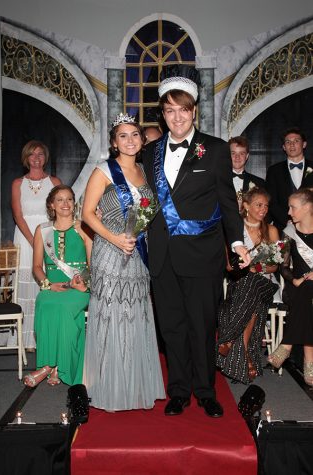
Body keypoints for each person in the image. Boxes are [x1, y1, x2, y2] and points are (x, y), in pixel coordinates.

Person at [142, 72, 250, 418]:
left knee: (202, 327)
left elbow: (227, 203)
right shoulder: (150, 153)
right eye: (170, 111)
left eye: (183, 110)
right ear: (163, 113)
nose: (177, 117)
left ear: (193, 112)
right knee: (171, 327)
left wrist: (236, 241)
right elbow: (142, 202)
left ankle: (205, 392)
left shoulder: (215, 149)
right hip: (162, 256)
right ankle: (178, 391)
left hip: (203, 255)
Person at [82, 113, 165, 411]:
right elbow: (87, 214)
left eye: (134, 135)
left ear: (142, 141)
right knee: (112, 317)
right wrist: (115, 238)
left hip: (138, 255)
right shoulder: (103, 171)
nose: (129, 140)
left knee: (135, 316)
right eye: (123, 136)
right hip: (110, 251)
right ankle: (107, 387)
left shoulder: (146, 172)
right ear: (114, 143)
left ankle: (135, 386)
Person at [23, 185, 92, 387]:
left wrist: (84, 283)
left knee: (63, 308)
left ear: (74, 203)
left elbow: (93, 264)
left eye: (69, 199)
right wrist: (48, 284)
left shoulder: (84, 227)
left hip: (79, 287)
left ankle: (54, 366)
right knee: (44, 301)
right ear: (51, 205)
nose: (65, 204)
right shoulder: (42, 230)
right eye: (60, 200)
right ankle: (50, 366)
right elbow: (36, 266)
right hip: (52, 285)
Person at [216, 187, 280, 384]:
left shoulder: (271, 230)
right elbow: (228, 265)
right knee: (252, 302)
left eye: (266, 205)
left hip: (266, 284)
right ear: (246, 206)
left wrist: (253, 267)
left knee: (252, 284)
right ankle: (244, 355)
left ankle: (228, 337)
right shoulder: (234, 230)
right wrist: (246, 270)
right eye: (259, 205)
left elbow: (273, 266)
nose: (263, 209)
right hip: (241, 284)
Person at [11, 140, 61, 351]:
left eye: (40, 154)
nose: (36, 157)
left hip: (48, 236)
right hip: (25, 237)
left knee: (46, 285)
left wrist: (45, 242)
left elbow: (62, 212)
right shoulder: (17, 184)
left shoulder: (55, 181)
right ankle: (25, 341)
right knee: (26, 286)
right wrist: (34, 241)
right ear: (26, 158)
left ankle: (45, 338)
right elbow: (18, 215)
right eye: (32, 154)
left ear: (45, 157)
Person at [267, 188, 313, 386]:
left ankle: (287, 344)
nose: (288, 212)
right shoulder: (288, 233)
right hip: (296, 286)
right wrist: (294, 280)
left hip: (306, 289)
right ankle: (309, 363)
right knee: (305, 292)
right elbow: (283, 266)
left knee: (308, 292)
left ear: (308, 208)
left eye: (293, 207)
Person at [266, 127, 313, 233]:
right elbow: (271, 201)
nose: (292, 144)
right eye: (288, 142)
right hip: (283, 228)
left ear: (304, 144)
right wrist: (288, 221)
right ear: (284, 147)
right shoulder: (274, 171)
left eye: (296, 141)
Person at [229, 136, 265, 211]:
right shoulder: (218, 181)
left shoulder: (259, 183)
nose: (237, 157)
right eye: (233, 153)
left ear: (247, 156)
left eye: (241, 153)